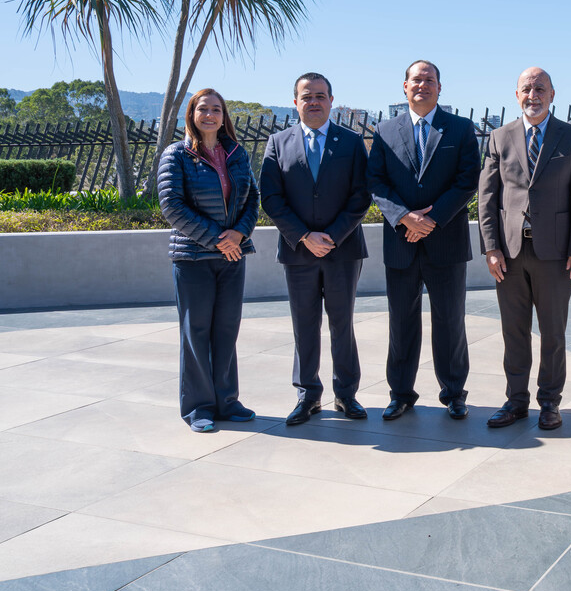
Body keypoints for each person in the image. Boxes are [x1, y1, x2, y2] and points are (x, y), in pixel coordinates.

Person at [479, 66, 571, 431]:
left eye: (540, 88)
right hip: (509, 255)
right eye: (527, 88)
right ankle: (515, 401)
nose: (533, 94)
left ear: (553, 94)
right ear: (517, 95)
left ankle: (549, 403)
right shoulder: (500, 137)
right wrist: (491, 247)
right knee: (514, 332)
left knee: (553, 333)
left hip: (555, 254)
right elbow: (487, 197)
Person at [367, 60, 480, 421]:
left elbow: (467, 180)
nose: (423, 85)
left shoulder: (461, 129)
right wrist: (404, 217)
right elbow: (376, 182)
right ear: (404, 86)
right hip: (400, 242)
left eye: (429, 80)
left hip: (445, 240)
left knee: (450, 320)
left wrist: (430, 219)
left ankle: (454, 393)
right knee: (401, 321)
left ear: (440, 88)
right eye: (416, 80)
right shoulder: (384, 131)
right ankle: (400, 393)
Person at [260, 72, 371, 425]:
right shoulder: (278, 142)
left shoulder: (352, 143)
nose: (314, 102)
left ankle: (346, 395)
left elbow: (360, 197)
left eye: (320, 96)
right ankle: (307, 394)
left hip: (343, 250)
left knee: (342, 323)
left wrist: (333, 236)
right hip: (298, 251)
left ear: (331, 101)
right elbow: (271, 198)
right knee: (304, 324)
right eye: (306, 96)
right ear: (295, 102)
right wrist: (305, 236)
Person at [157, 88, 259, 433]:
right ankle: (198, 406)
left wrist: (240, 234)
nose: (210, 115)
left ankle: (227, 401)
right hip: (194, 259)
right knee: (196, 331)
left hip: (232, 255)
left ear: (223, 115)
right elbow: (172, 206)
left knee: (226, 330)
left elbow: (252, 199)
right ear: (192, 114)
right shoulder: (177, 154)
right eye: (204, 109)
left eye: (217, 109)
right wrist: (220, 239)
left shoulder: (236, 152)